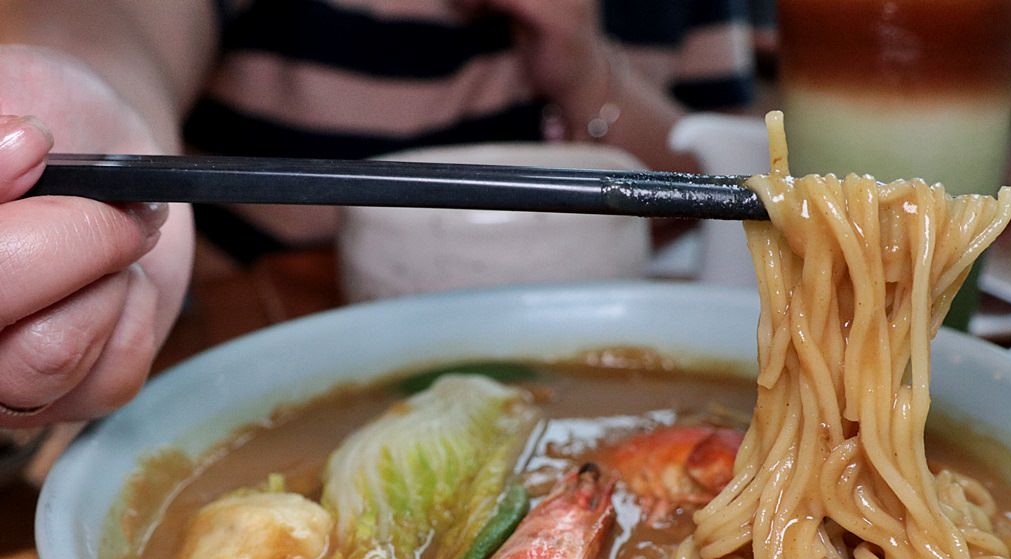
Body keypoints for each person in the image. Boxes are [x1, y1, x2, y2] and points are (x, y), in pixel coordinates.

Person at [0, 0, 754, 425]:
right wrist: (91, 89)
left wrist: (582, 65)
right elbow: (118, 20)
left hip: (609, 374)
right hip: (237, 368)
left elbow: (723, 179)